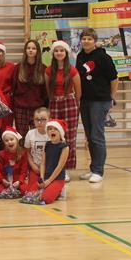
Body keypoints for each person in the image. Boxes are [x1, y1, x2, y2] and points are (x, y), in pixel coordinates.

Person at [76, 28, 118, 184]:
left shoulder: (103, 57)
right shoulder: (80, 56)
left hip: (100, 101)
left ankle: (99, 171)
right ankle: (93, 168)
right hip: (85, 100)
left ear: (94, 41)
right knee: (89, 136)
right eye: (84, 39)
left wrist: (111, 98)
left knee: (97, 136)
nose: (86, 41)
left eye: (89, 39)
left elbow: (114, 79)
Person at [45, 40, 81, 173]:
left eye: (61, 51)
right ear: (53, 53)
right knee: (54, 135)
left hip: (69, 104)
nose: (59, 53)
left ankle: (66, 168)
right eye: (56, 51)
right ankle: (55, 168)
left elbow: (78, 92)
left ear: (66, 53)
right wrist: (54, 99)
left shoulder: (72, 70)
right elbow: (48, 90)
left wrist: (73, 103)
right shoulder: (49, 70)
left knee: (69, 136)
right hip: (54, 103)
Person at [12, 40, 48, 136]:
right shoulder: (18, 68)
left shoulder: (43, 68)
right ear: (25, 50)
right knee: (21, 136)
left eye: (33, 48)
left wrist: (45, 107)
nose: (31, 50)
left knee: (37, 135)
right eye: (28, 48)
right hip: (20, 108)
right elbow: (13, 88)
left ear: (38, 51)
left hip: (38, 108)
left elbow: (45, 91)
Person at [30, 119, 70, 204]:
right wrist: (41, 178)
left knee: (46, 199)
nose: (52, 131)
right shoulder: (47, 144)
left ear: (60, 132)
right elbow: (43, 163)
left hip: (57, 178)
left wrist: (48, 181)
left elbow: (59, 167)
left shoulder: (64, 147)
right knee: (30, 194)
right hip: (46, 177)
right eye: (50, 129)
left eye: (55, 129)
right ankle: (50, 190)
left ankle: (60, 190)